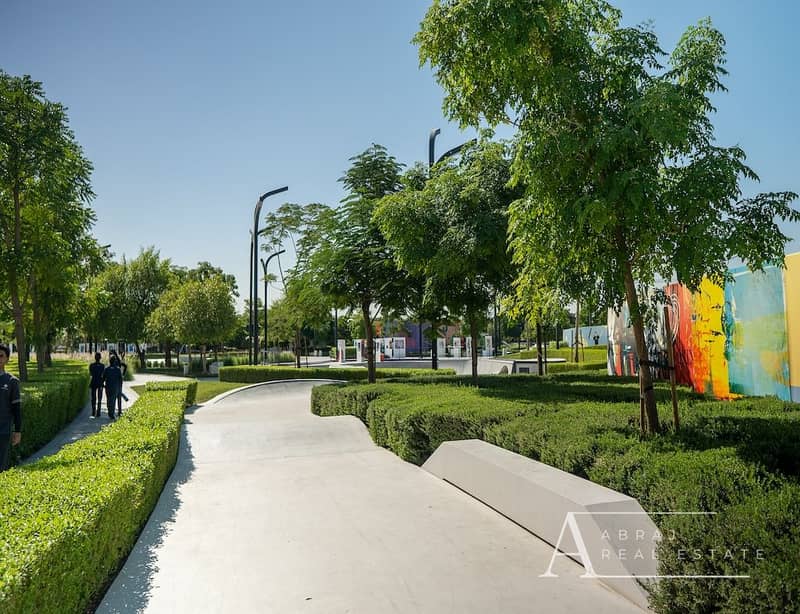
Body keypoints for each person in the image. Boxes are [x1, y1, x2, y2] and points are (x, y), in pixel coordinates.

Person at [0, 343, 22, 472]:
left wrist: (17, 431)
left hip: (3, 431)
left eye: (1, 356)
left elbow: (16, 409)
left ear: (7, 359)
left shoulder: (12, 381)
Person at [103, 356, 123, 420]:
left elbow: (103, 378)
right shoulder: (118, 369)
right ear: (114, 361)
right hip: (115, 387)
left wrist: (103, 385)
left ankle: (110, 412)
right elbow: (120, 379)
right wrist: (120, 387)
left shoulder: (106, 369)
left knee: (109, 400)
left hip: (108, 387)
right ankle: (111, 413)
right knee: (113, 400)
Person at [89, 352, 105, 418]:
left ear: (95, 358)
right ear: (100, 358)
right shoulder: (102, 366)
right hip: (100, 382)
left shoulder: (91, 365)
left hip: (93, 382)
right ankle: (98, 412)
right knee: (99, 398)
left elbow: (91, 374)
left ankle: (93, 412)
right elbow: (103, 375)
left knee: (93, 398)